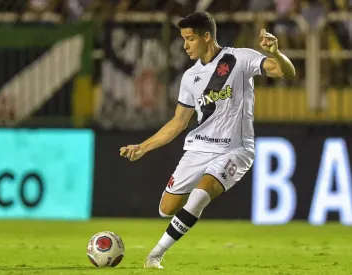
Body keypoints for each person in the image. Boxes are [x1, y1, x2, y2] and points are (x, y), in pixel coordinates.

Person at [119, 11, 296, 269]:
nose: (185, 45)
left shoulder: (240, 58)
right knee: (167, 209)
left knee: (201, 194)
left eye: (190, 39)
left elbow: (285, 72)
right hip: (199, 148)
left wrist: (276, 53)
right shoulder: (191, 77)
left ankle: (155, 255)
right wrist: (143, 147)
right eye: (183, 39)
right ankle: (188, 210)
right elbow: (179, 122)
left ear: (207, 37)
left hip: (235, 149)